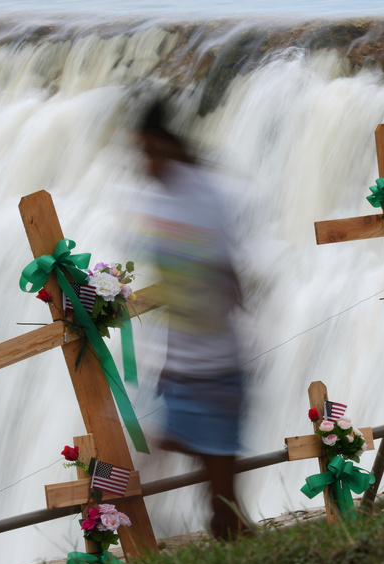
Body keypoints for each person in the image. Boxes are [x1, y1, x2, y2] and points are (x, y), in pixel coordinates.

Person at [136, 100, 248, 541]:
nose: (143, 163)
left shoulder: (199, 198)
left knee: (216, 484)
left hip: (214, 362)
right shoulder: (170, 198)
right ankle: (135, 526)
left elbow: (224, 280)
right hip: (186, 359)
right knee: (202, 472)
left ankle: (126, 525)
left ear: (165, 147)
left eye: (147, 151)